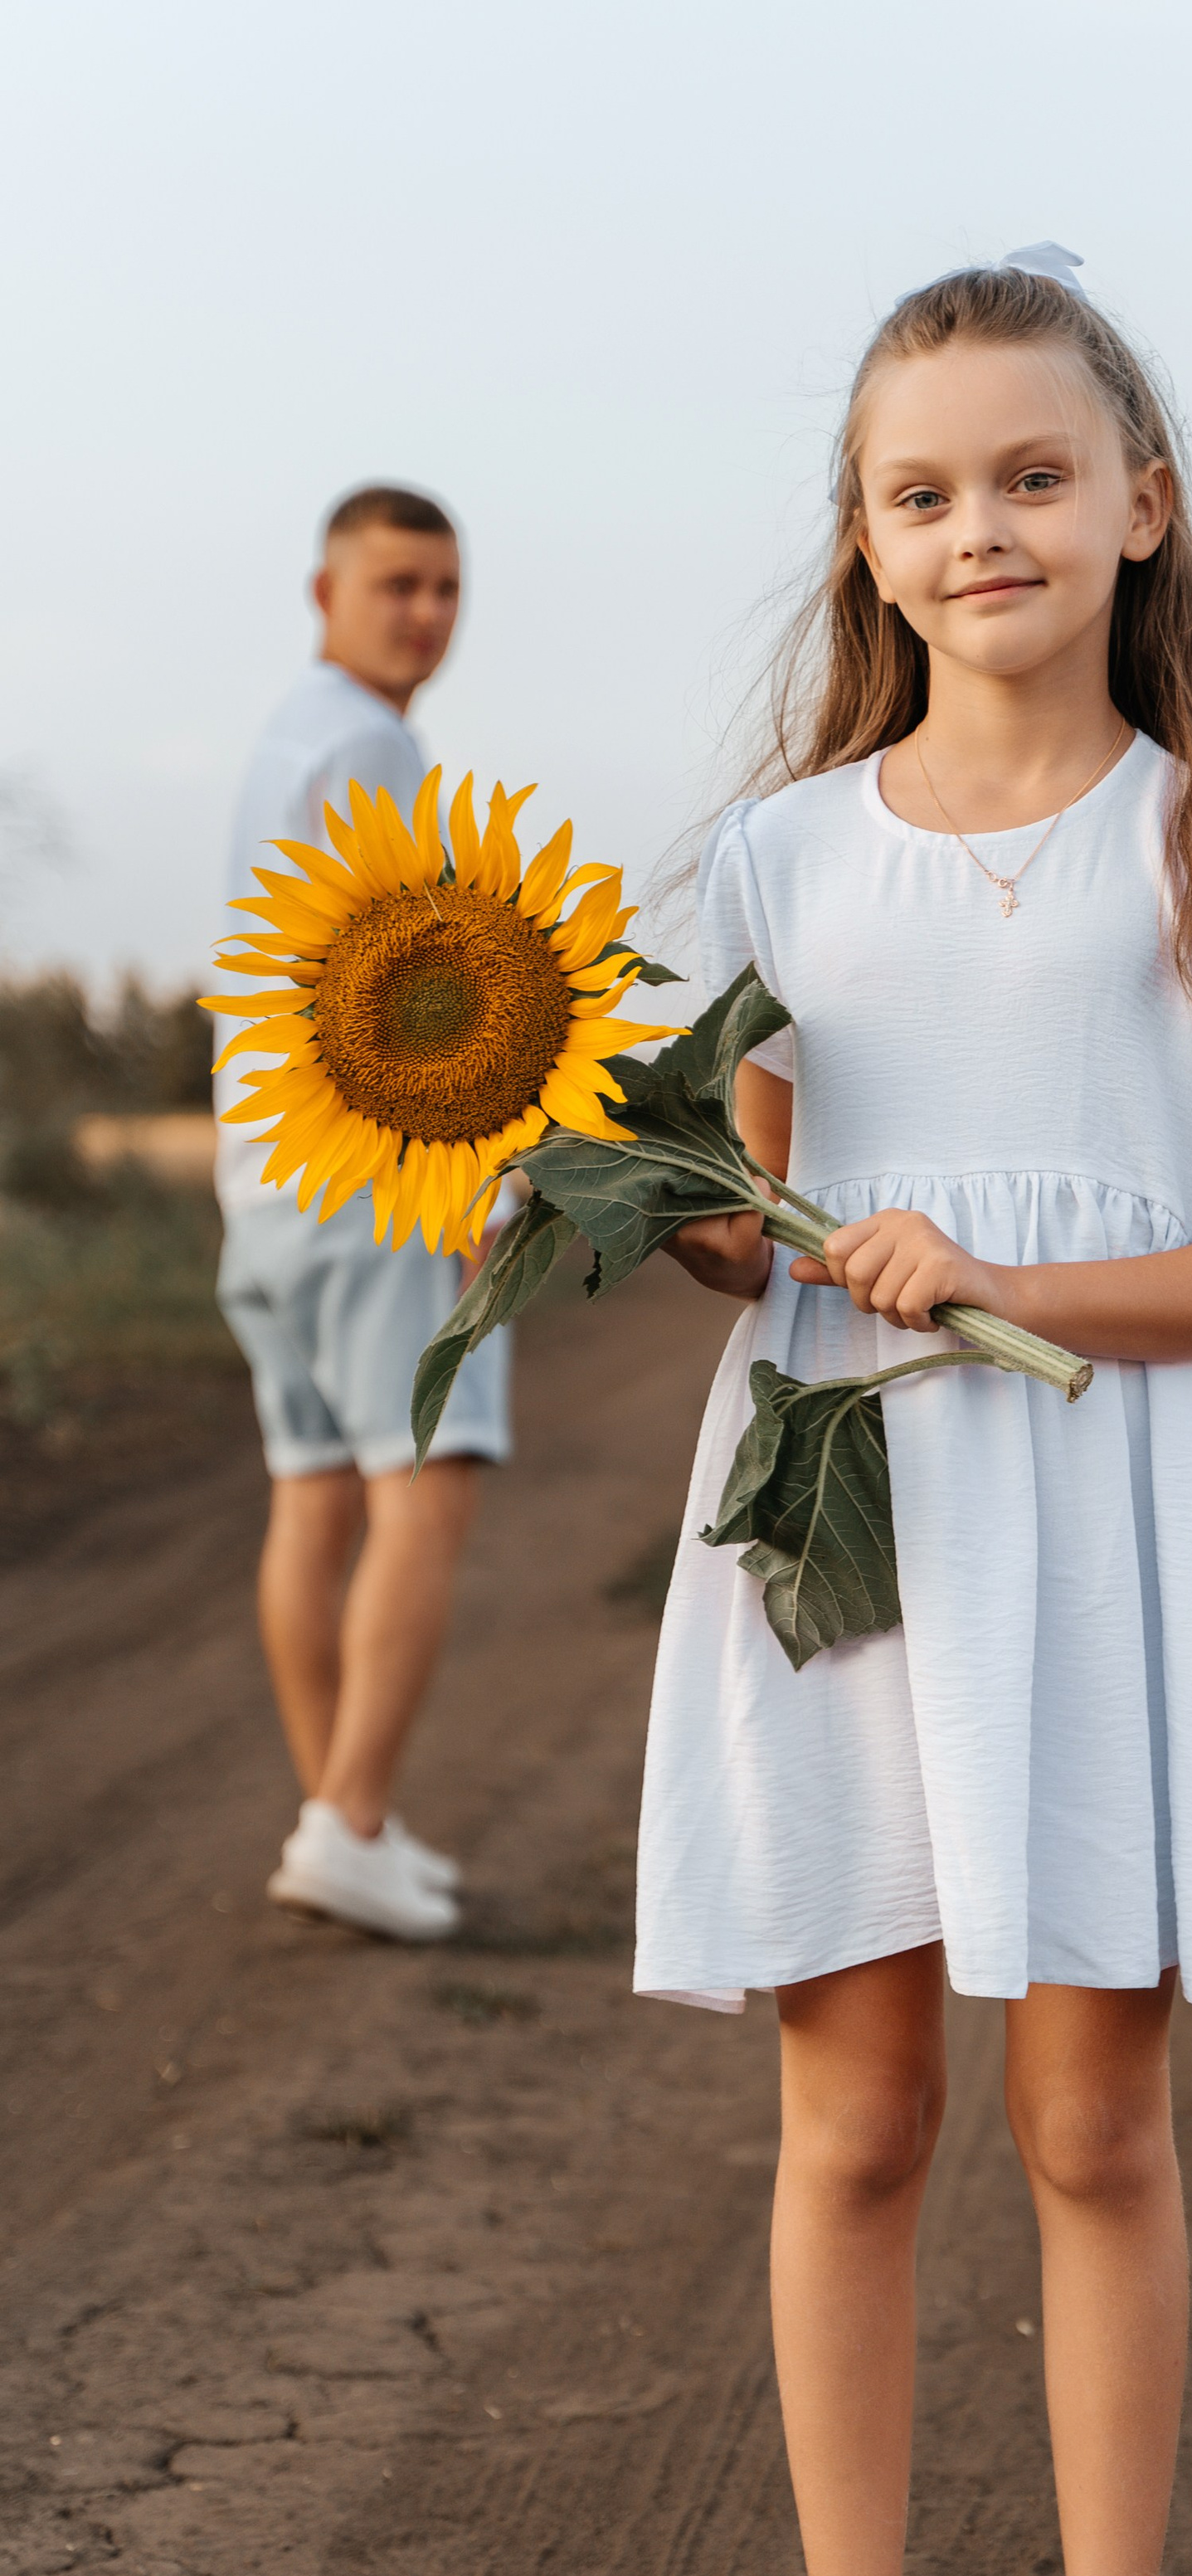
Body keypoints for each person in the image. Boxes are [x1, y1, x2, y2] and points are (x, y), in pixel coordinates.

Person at [643, 248, 1192, 2576]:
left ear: (1142, 510)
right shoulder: (764, 862)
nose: (984, 527)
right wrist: (658, 1202)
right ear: (863, 546)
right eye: (925, 491)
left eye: (1035, 476)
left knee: (1095, 2117)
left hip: (1111, 1527)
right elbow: (736, 1224)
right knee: (854, 2116)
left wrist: (1003, 1278)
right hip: (851, 1529)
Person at [212, 485, 511, 1945]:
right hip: (364, 1173)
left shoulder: (288, 739)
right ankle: (352, 1818)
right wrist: (463, 1175)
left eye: (447, 588)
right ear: (323, 589)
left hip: (260, 1185)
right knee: (428, 1477)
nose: (427, 615)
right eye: (398, 584)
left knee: (315, 1491)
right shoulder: (372, 743)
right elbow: (400, 977)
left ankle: (344, 1819)